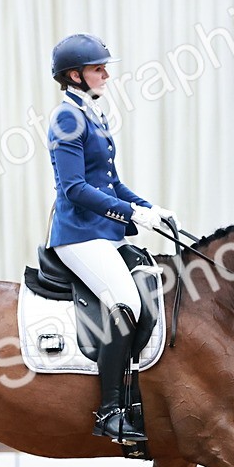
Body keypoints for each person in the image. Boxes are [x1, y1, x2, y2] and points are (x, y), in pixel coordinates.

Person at [47, 33, 175, 444]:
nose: (106, 74)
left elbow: (111, 182)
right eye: (98, 68)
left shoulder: (93, 116)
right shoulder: (67, 118)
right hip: (79, 236)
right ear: (75, 75)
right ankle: (110, 412)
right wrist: (129, 213)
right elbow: (74, 188)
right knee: (126, 303)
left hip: (104, 233)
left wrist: (149, 209)